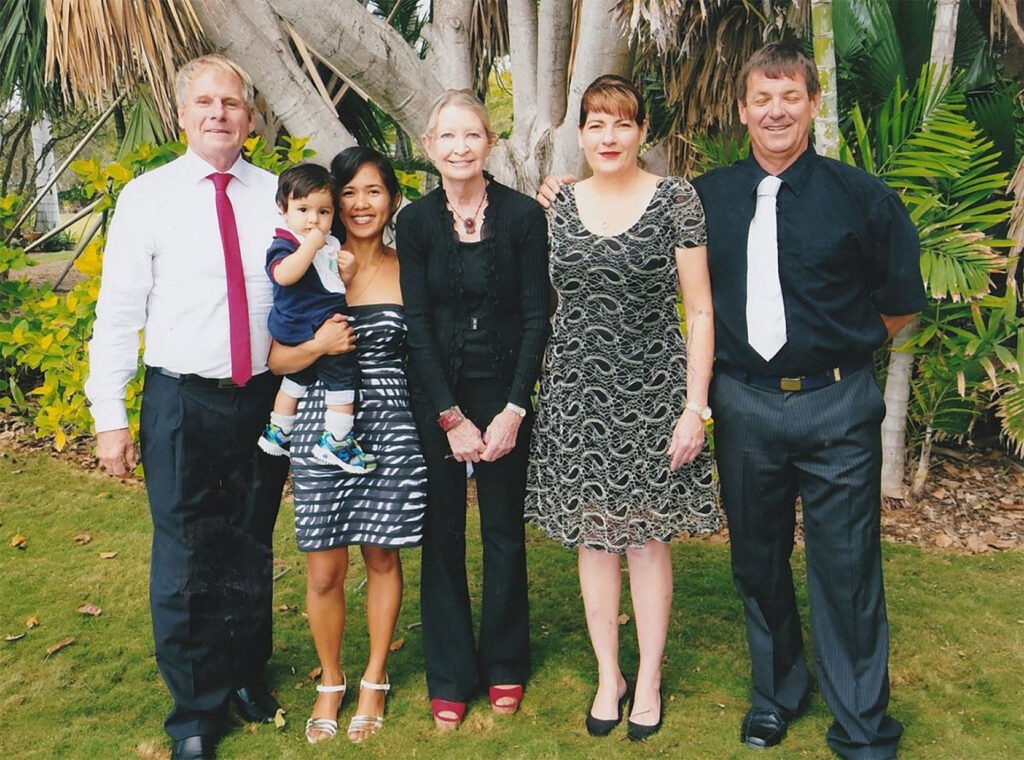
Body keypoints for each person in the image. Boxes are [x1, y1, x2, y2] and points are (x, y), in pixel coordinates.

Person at [84, 55, 352, 760]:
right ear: (182, 115)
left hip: (263, 397)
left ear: (251, 116)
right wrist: (109, 415)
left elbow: (332, 256)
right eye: (204, 102)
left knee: (250, 542)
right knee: (185, 552)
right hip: (182, 398)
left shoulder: (278, 197)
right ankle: (197, 712)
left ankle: (244, 675)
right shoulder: (147, 198)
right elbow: (118, 312)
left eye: (231, 103)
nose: (219, 114)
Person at [691, 44, 923, 758]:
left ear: (813, 103)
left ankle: (861, 724)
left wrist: (836, 355)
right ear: (742, 110)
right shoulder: (704, 198)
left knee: (847, 569)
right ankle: (777, 693)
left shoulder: (862, 197)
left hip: (836, 405)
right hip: (744, 405)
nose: (776, 111)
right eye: (762, 98)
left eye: (790, 96)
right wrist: (561, 190)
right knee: (757, 562)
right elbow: (628, 222)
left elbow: (899, 303)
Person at [526, 74, 718, 742]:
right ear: (580, 135)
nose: (609, 137)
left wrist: (696, 407)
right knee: (594, 538)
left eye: (622, 123)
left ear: (642, 132)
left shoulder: (676, 199)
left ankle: (651, 677)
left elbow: (699, 310)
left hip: (654, 396)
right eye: (596, 124)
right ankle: (609, 674)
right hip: (576, 395)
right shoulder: (557, 204)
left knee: (645, 540)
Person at [395, 89, 549, 731]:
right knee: (443, 534)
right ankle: (451, 672)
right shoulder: (415, 222)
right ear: (429, 146)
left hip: (505, 391)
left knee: (503, 531)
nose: (460, 148)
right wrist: (451, 418)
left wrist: (514, 408)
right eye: (447, 137)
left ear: (490, 142)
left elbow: (537, 315)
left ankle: (506, 660)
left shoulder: (521, 216)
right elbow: (418, 323)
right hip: (438, 395)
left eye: (472, 135)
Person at [267, 147, 426, 745]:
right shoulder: (305, 265)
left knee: (383, 556)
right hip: (320, 423)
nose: (361, 205)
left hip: (391, 425)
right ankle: (330, 679)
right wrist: (319, 348)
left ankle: (374, 678)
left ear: (392, 200)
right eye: (349, 194)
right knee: (324, 566)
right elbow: (277, 359)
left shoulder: (409, 267)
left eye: (373, 192)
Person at [258, 163, 375, 473]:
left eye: (323, 212)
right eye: (303, 210)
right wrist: (310, 246)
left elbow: (333, 283)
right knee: (343, 376)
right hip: (304, 323)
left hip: (314, 322)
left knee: (297, 378)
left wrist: (348, 271)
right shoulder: (285, 243)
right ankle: (336, 440)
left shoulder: (329, 244)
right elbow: (284, 275)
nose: (313, 220)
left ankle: (278, 430)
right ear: (283, 209)